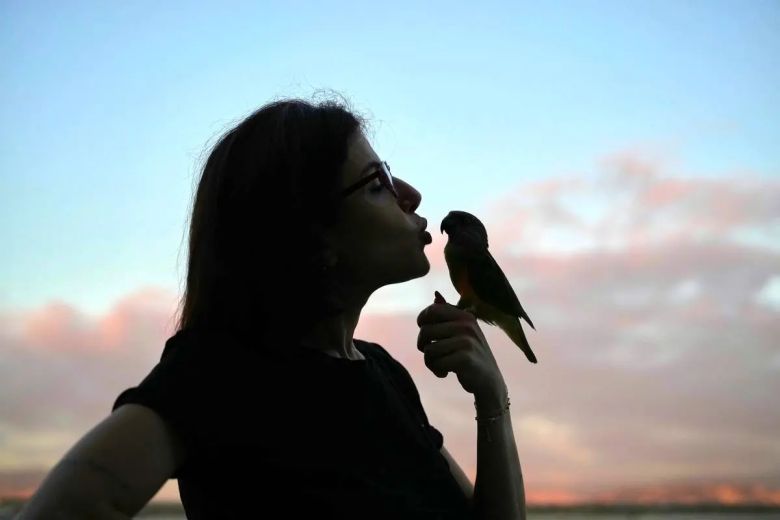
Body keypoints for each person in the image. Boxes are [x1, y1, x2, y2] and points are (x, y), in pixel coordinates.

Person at [16, 96, 526, 519]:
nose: (410, 195)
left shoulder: (386, 376)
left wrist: (492, 399)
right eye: (376, 184)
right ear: (313, 235)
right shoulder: (222, 373)